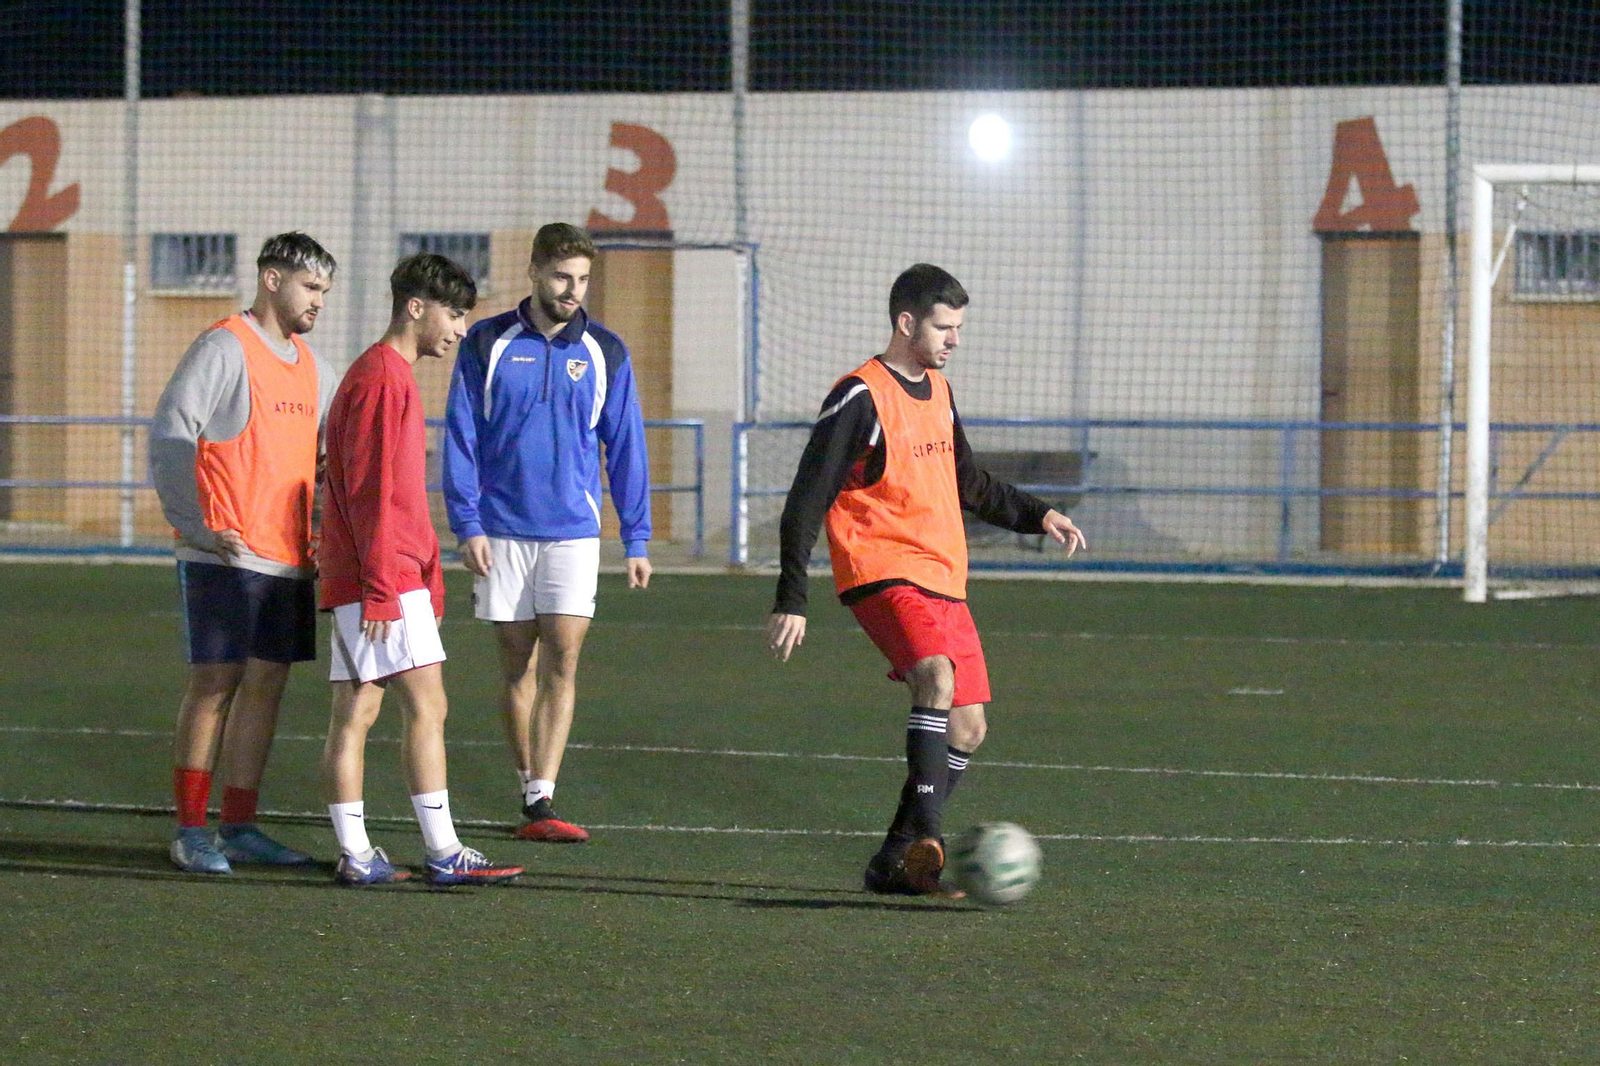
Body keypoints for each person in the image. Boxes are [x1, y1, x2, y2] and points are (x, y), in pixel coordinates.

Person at [766, 263, 1086, 897]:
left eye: (959, 327)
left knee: (969, 728)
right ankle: (930, 844)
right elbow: (807, 497)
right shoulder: (859, 396)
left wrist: (1038, 514)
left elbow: (971, 485)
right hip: (882, 569)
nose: (954, 339)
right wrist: (792, 596)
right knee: (935, 678)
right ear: (906, 322)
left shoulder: (938, 390)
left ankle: (893, 860)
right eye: (945, 326)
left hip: (943, 578)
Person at [442, 222, 652, 843]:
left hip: (573, 532)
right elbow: (460, 434)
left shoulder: (607, 352)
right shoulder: (485, 342)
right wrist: (467, 522)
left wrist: (635, 537)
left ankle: (542, 795)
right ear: (535, 270)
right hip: (501, 529)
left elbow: (626, 446)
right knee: (516, 662)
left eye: (583, 279)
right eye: (563, 276)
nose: (573, 290)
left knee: (563, 655)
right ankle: (526, 776)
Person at [318, 253, 523, 887]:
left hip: (374, 575)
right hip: (381, 581)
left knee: (355, 714)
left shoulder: (379, 375)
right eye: (455, 314)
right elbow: (372, 495)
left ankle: (358, 855)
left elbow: (380, 494)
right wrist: (388, 587)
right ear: (416, 307)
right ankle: (442, 851)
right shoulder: (385, 378)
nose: (460, 329)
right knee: (425, 707)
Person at [149, 231, 338, 875]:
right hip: (225, 556)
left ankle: (240, 824)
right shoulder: (224, 345)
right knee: (216, 684)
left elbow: (326, 458)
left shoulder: (314, 366)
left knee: (266, 687)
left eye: (325, 292)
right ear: (271, 278)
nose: (318, 301)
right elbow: (173, 429)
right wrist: (196, 526)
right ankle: (191, 830)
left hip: (288, 560)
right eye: (311, 287)